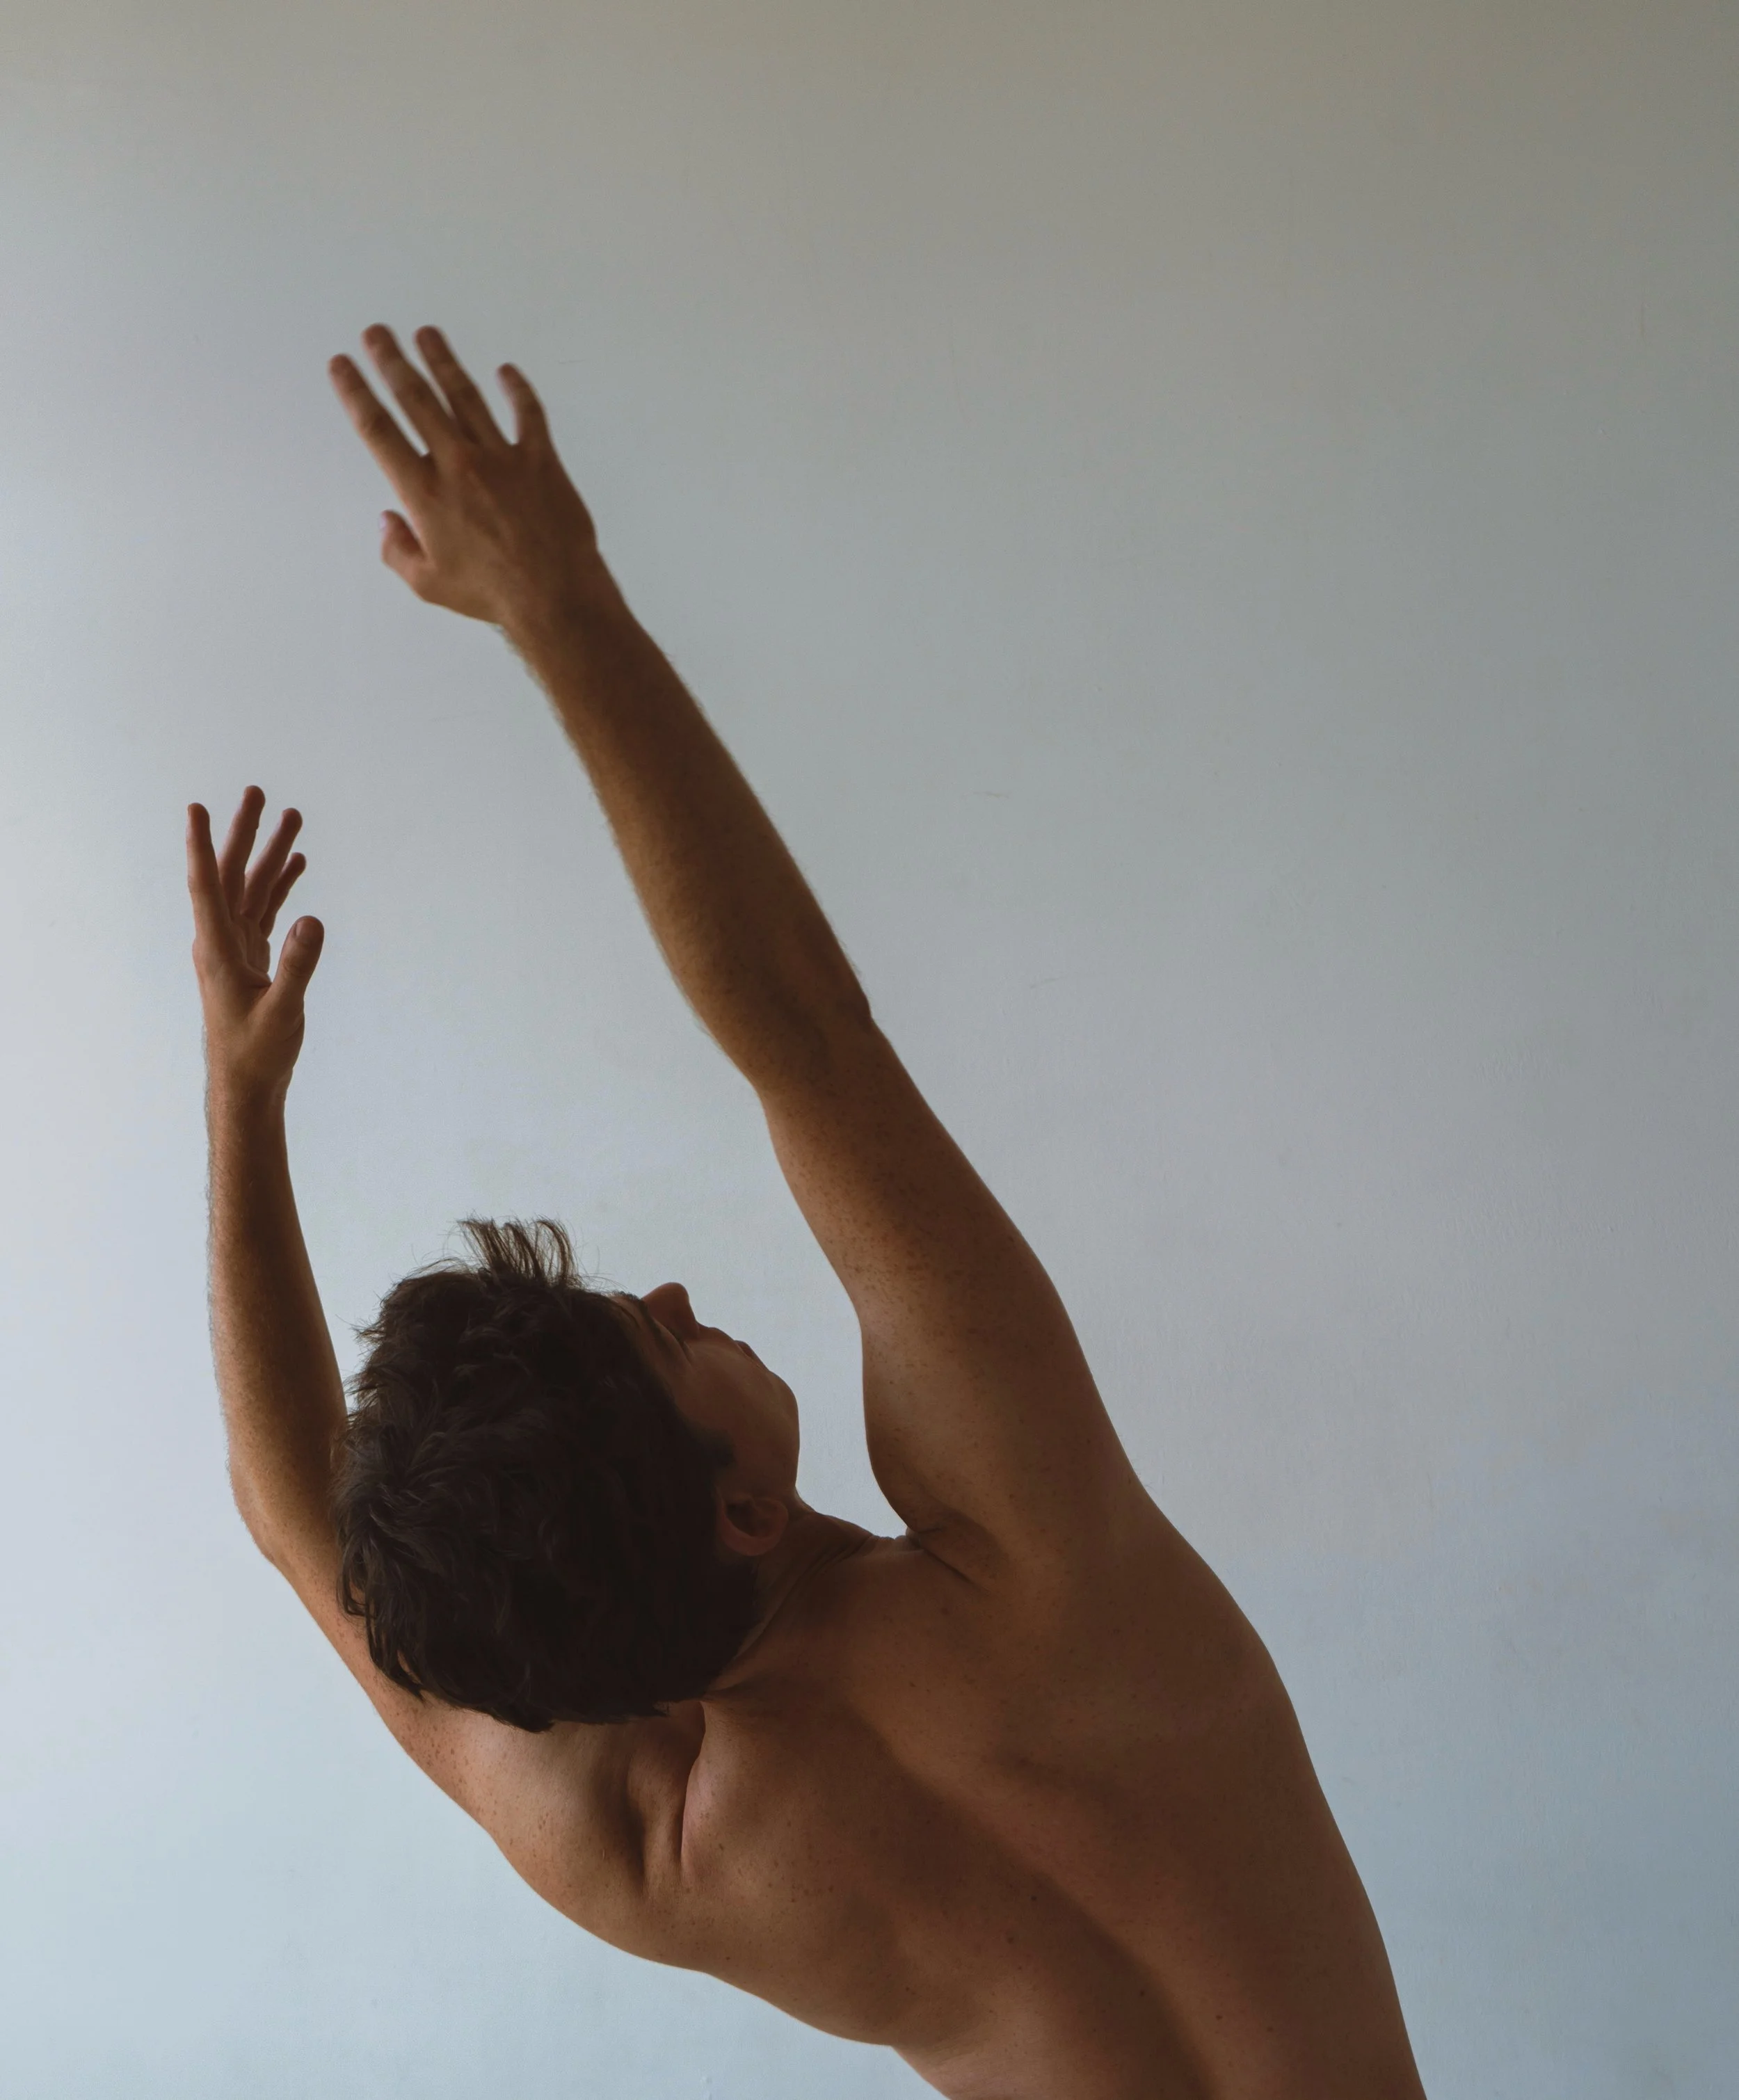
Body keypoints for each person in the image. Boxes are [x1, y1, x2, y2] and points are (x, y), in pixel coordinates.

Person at [186, 323, 1428, 2099]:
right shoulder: (1035, 1568)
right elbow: (803, 1030)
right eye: (660, 1337)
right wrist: (560, 608)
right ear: (747, 1510)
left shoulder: (659, 1856)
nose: (678, 1297)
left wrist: (238, 1108)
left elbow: (291, 1521)